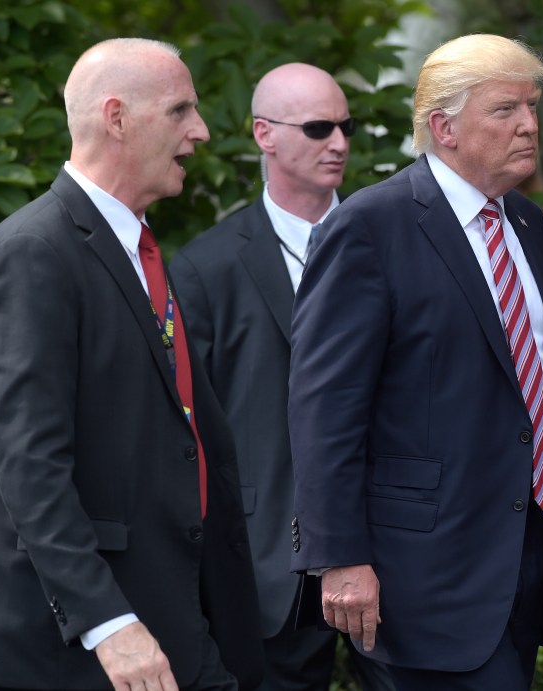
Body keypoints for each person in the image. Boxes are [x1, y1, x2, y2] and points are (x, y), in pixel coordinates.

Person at [287, 33, 543, 689]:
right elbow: (326, 409)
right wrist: (338, 555)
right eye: (506, 110)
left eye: (533, 107)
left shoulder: (527, 224)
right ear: (443, 127)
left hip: (530, 554)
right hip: (423, 572)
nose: (529, 126)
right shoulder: (372, 227)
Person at [0, 38, 264, 691]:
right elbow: (28, 464)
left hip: (176, 629)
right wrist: (108, 622)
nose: (202, 131)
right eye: (180, 110)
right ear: (116, 117)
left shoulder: (136, 246)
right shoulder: (33, 251)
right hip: (78, 653)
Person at [170, 62, 393, 691]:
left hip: (400, 545)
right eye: (320, 127)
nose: (341, 143)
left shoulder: (397, 238)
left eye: (346, 126)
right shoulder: (206, 268)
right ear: (264, 134)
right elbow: (194, 431)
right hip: (270, 563)